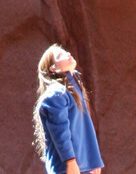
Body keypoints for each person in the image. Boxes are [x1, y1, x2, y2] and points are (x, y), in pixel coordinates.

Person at [33, 44, 104, 174]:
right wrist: (70, 162)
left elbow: (83, 129)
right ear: (53, 68)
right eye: (60, 56)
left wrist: (93, 162)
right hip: (67, 168)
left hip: (81, 167)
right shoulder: (56, 94)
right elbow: (60, 132)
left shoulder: (74, 87)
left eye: (65, 51)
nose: (68, 54)